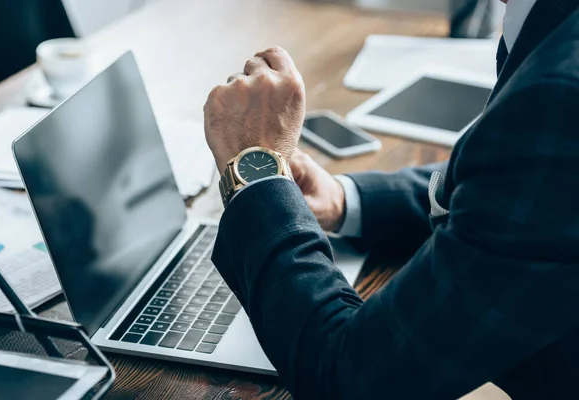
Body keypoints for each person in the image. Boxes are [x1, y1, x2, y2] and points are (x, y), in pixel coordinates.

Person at [203, 0, 579, 398]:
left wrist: (255, 171)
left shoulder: (559, 95)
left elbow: (349, 378)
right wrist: (346, 200)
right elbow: (518, 192)